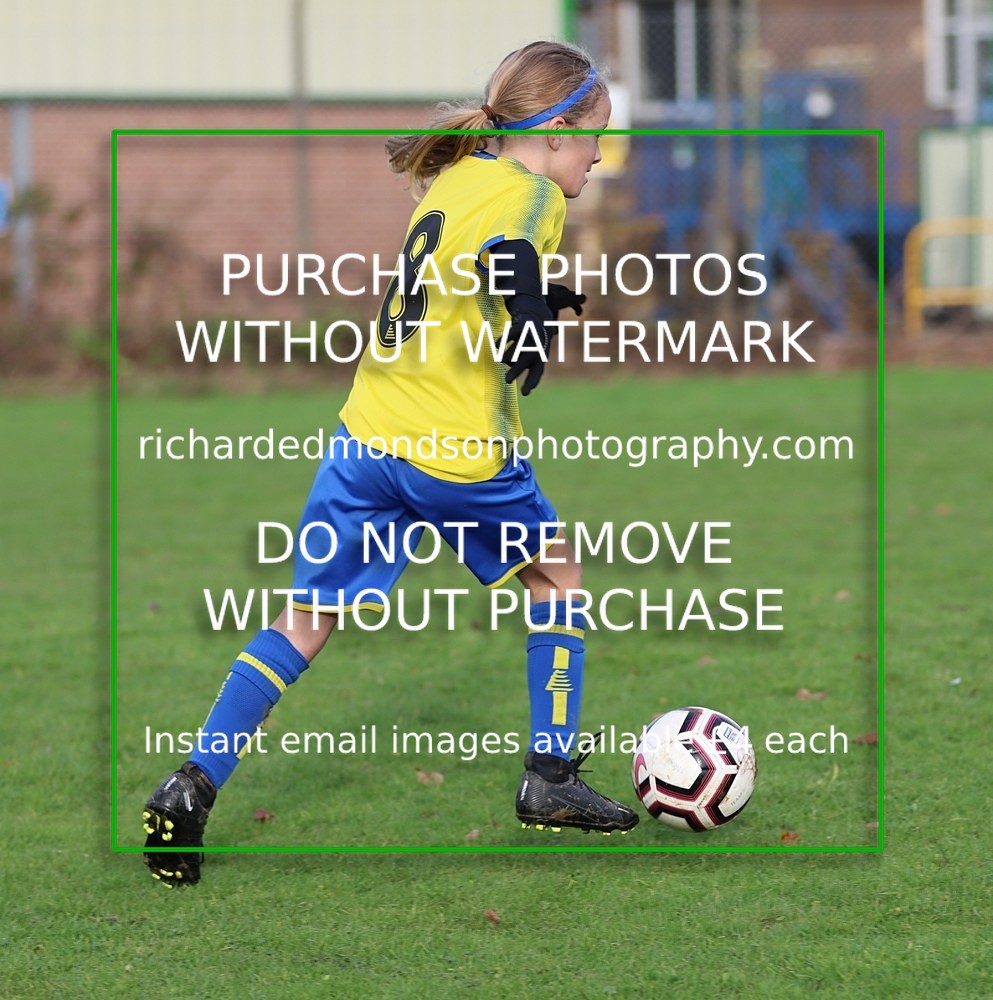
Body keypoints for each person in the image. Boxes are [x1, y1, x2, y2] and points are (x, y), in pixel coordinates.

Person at [142, 39, 638, 887]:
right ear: (556, 131)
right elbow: (509, 253)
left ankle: (190, 784)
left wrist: (532, 299)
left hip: (366, 439)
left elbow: (460, 271)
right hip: (454, 449)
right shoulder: (531, 192)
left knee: (303, 619)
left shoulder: (458, 175)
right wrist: (530, 307)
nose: (600, 153)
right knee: (558, 578)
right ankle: (549, 780)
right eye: (596, 135)